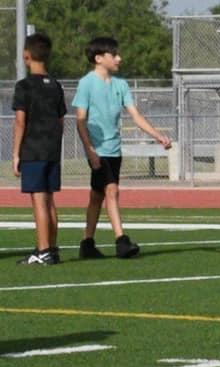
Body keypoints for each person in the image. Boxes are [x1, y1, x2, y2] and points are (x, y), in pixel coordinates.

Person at [72, 36, 172, 259]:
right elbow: (80, 120)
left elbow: (135, 115)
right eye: (113, 54)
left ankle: (87, 243)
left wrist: (158, 136)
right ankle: (121, 241)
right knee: (112, 191)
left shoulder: (121, 85)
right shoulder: (86, 83)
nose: (119, 58)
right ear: (99, 58)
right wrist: (90, 150)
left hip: (114, 149)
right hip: (98, 150)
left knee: (97, 195)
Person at [10, 31, 66, 265]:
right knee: (49, 199)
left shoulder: (24, 86)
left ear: (26, 56)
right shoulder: (55, 85)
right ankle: (51, 248)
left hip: (33, 149)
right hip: (51, 149)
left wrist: (16, 153)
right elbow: (61, 120)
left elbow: (20, 121)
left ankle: (43, 251)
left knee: (38, 200)